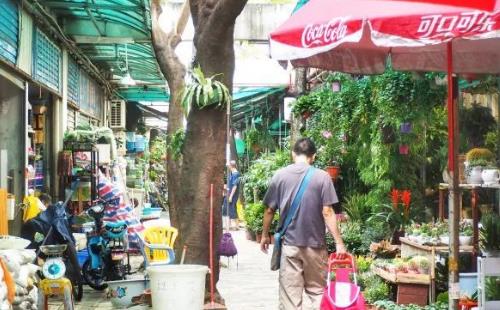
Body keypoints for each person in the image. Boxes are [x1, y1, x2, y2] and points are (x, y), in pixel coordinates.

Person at [260, 138, 346, 310]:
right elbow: (327, 212)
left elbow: (269, 210)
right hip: (316, 246)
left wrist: (264, 235)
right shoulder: (323, 177)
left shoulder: (280, 175)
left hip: (290, 245)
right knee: (318, 293)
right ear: (313, 156)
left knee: (290, 297)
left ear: (293, 154)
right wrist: (339, 242)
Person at [224, 160, 240, 230]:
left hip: (232, 194)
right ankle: (230, 225)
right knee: (228, 207)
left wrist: (230, 196)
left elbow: (235, 186)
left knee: (232, 208)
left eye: (228, 166)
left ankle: (236, 226)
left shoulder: (235, 174)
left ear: (231, 166)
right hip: (229, 193)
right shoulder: (232, 173)